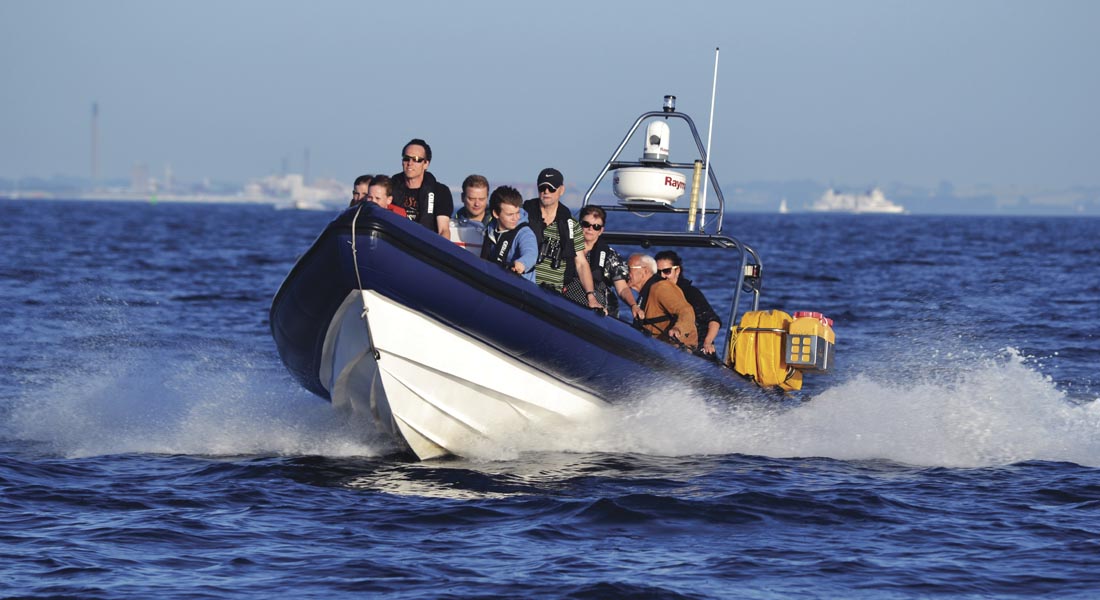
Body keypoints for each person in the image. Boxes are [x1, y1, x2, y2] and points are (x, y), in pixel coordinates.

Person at [521, 168, 601, 311]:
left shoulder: (571, 225)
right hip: (524, 285)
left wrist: (591, 296)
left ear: (561, 190)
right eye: (542, 187)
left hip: (553, 293)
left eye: (552, 188)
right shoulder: (522, 215)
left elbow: (581, 263)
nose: (546, 192)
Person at [577, 205, 641, 320]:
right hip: (571, 302)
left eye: (596, 226)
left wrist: (633, 305)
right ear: (579, 225)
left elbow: (622, 288)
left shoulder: (610, 256)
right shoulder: (567, 249)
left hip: (602, 311)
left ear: (601, 230)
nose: (590, 229)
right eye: (586, 225)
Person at [654, 250, 722, 355]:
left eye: (667, 271)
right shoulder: (654, 294)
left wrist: (707, 343)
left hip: (696, 348)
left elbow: (713, 321)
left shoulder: (691, 293)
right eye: (658, 272)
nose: (663, 276)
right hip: (667, 348)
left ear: (677, 271)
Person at [627, 253, 698, 349]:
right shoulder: (645, 293)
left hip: (679, 350)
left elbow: (686, 311)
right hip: (655, 348)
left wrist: (678, 329)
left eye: (629, 268)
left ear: (645, 271)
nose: (625, 272)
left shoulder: (661, 287)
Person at [390, 138, 453, 238]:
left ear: (426, 164)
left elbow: (443, 230)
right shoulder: (389, 187)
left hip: (424, 245)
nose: (410, 163)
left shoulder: (441, 191)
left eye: (416, 159)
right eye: (406, 158)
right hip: (395, 242)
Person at [481, 186, 538, 282]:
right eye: (510, 214)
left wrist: (522, 263)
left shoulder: (525, 233)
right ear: (496, 214)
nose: (515, 218)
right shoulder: (490, 230)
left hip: (520, 289)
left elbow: (531, 253)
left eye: (517, 213)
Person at [451, 174, 491, 254]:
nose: (477, 204)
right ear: (462, 197)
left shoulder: (498, 226)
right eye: (472, 199)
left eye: (481, 199)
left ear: (487, 198)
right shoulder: (450, 226)